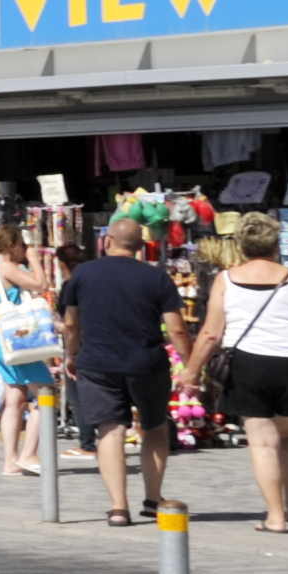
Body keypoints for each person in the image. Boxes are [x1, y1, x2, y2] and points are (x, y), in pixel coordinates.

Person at [182, 214, 288, 531]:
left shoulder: (226, 279)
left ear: (241, 246)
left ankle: (275, 516)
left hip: (250, 364)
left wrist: (192, 372)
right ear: (276, 243)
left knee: (263, 443)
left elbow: (210, 333)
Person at [58, 216, 182, 526]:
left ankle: (118, 508)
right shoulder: (156, 277)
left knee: (109, 430)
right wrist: (190, 364)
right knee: (153, 428)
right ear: (140, 248)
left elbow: (71, 322)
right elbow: (177, 329)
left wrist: (72, 354)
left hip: (97, 363)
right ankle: (153, 499)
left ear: (107, 242)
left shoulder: (82, 274)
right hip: (147, 363)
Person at [0, 220, 59, 480]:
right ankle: (28, 454)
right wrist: (33, 258)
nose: (24, 249)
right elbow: (40, 284)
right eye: (21, 245)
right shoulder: (5, 266)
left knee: (14, 400)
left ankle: (10, 461)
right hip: (17, 340)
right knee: (46, 394)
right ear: (12, 245)